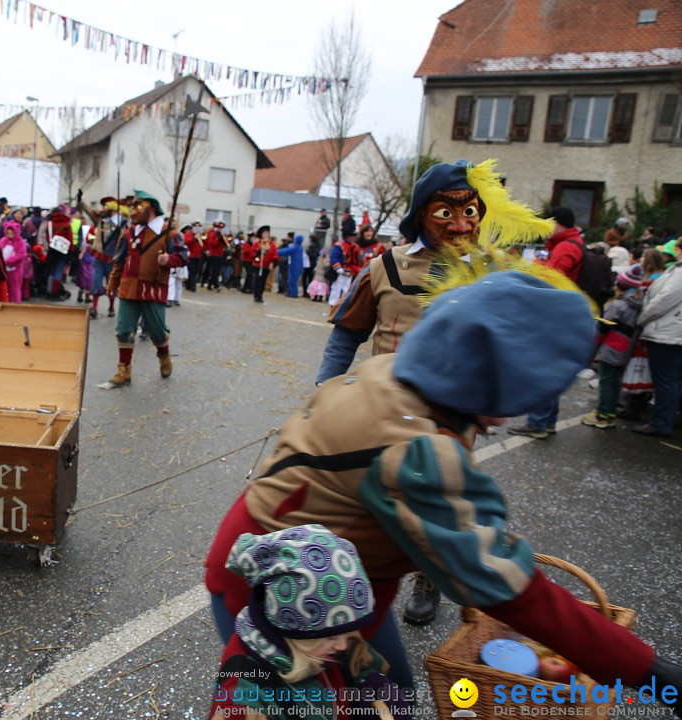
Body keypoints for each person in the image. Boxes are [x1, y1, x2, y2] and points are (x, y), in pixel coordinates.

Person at [206, 271, 682, 707]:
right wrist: (652, 674)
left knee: (394, 696)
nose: (515, 411)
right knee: (333, 708)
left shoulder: (392, 372)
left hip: (339, 583)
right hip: (292, 597)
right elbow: (504, 587)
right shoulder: (415, 448)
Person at [313, 159, 553, 625]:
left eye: (471, 213)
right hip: (378, 406)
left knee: (441, 504)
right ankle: (358, 577)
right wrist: (325, 391)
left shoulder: (492, 270)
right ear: (423, 213)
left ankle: (429, 578)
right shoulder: (383, 266)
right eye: (447, 213)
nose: (462, 224)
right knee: (367, 495)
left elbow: (514, 341)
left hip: (452, 417)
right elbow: (347, 333)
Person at [210, 525, 409, 720]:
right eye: (332, 637)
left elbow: (354, 656)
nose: (342, 645)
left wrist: (368, 681)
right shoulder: (244, 703)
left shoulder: (321, 636)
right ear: (290, 625)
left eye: (347, 633)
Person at [509, 206, 586, 439]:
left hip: (555, 315)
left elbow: (550, 283)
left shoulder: (565, 247)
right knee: (551, 368)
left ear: (556, 223)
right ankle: (547, 421)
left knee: (543, 370)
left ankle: (537, 423)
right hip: (563, 315)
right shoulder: (572, 243)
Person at [104, 190, 187, 387]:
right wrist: (113, 282)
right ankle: (123, 370)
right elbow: (120, 260)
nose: (132, 211)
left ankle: (164, 356)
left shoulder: (169, 233)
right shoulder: (130, 232)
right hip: (129, 288)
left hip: (153, 290)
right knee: (123, 330)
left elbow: (183, 257)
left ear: (150, 208)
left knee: (157, 332)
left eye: (137, 207)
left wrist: (169, 260)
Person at [582, 265, 645, 429]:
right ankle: (609, 412)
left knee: (606, 380)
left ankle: (602, 414)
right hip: (626, 347)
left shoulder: (619, 305)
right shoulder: (638, 304)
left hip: (612, 346)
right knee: (615, 380)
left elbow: (604, 325)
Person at [632, 257, 682, 437]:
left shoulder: (679, 273)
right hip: (673, 332)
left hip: (667, 333)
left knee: (667, 381)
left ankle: (661, 423)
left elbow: (664, 300)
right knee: (674, 380)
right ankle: (667, 418)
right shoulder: (675, 270)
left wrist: (642, 318)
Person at [326, 229, 361, 306]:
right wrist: (338, 268)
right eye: (351, 236)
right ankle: (333, 304)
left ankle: (343, 304)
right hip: (340, 271)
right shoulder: (339, 245)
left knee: (346, 289)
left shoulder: (354, 246)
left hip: (349, 271)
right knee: (336, 288)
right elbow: (334, 257)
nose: (353, 238)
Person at [0, 219, 27, 303]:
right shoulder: (2, 241)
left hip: (15, 271)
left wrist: (7, 261)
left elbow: (20, 255)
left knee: (14, 289)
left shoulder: (20, 242)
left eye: (12, 233)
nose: (10, 235)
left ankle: (15, 303)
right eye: (8, 233)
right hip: (3, 269)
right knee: (3, 287)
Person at [251, 227, 279, 304]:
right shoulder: (258, 243)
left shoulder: (271, 244)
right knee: (258, 281)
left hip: (266, 266)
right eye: (264, 233)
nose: (266, 235)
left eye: (267, 233)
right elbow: (253, 254)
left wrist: (273, 262)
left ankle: (260, 295)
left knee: (263, 281)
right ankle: (257, 296)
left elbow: (275, 254)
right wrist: (260, 252)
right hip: (258, 265)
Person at [276, 234, 305, 298]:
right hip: (294, 265)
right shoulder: (299, 247)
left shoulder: (296, 247)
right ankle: (290, 292)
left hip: (295, 266)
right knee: (290, 280)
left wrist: (274, 251)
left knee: (292, 281)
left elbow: (285, 251)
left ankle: (293, 294)